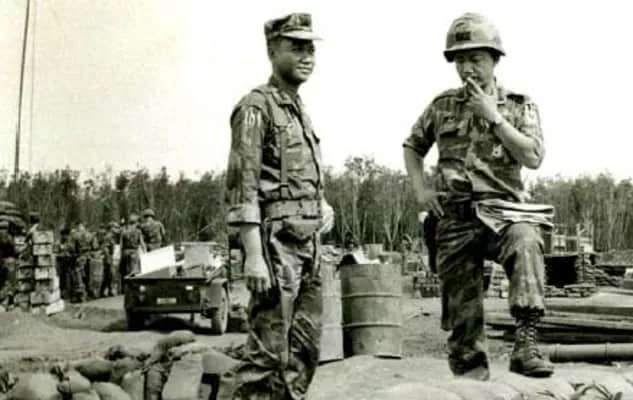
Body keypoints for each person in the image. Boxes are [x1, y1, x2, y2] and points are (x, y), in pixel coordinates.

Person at [403, 12, 554, 380]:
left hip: (503, 214)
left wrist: (494, 117)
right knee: (463, 320)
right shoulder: (442, 106)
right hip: (455, 216)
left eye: (476, 58)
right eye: (460, 60)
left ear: (494, 59)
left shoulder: (518, 105)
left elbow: (533, 156)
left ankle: (526, 344)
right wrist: (422, 189)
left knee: (526, 241)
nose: (467, 68)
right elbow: (412, 146)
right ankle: (471, 380)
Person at [219, 12, 334, 399]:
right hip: (276, 247)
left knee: (305, 348)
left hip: (309, 245)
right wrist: (253, 255)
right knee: (267, 355)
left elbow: (298, 174)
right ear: (272, 51)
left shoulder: (298, 109)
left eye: (310, 49)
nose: (306, 56)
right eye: (296, 48)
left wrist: (322, 204)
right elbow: (244, 186)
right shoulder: (256, 108)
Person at [69, 221, 93, 303]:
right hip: (88, 256)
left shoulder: (75, 235)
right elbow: (94, 245)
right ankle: (88, 294)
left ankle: (80, 296)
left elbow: (72, 248)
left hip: (79, 257)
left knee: (78, 276)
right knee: (87, 276)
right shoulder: (89, 234)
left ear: (77, 226)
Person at [119, 214, 146, 279]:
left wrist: (120, 255)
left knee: (124, 272)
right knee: (134, 273)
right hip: (134, 253)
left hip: (125, 253)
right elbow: (142, 243)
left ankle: (123, 284)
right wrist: (145, 252)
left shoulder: (123, 231)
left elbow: (121, 245)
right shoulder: (138, 231)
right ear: (135, 223)